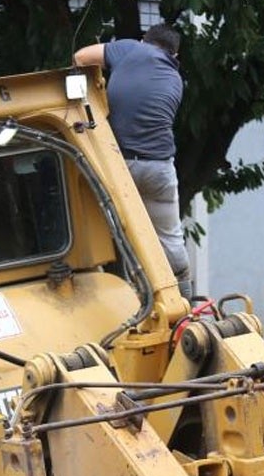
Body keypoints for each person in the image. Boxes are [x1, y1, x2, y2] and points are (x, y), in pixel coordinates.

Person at [74, 23, 191, 298]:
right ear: (175, 56)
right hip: (159, 167)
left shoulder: (129, 49)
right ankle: (185, 295)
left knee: (112, 231)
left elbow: (80, 57)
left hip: (120, 165)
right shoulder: (175, 79)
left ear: (144, 41)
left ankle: (124, 297)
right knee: (170, 235)